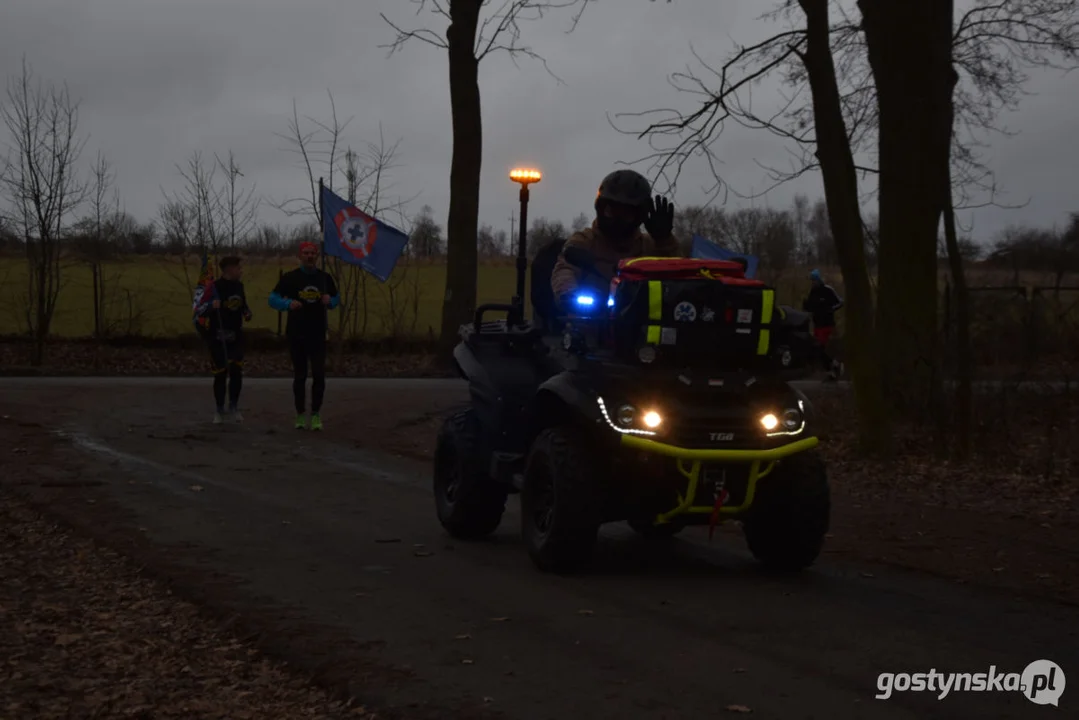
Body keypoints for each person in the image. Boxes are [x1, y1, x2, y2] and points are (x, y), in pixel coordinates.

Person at [551, 169, 679, 305]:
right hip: (590, 320)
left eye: (626, 214)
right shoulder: (585, 240)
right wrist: (568, 294)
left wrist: (664, 241)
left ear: (639, 216)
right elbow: (565, 269)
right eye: (611, 211)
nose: (617, 219)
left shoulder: (648, 245)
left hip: (639, 320)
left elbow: (675, 274)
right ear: (600, 208)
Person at [268, 242, 340, 430]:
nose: (309, 256)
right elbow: (272, 299)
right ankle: (300, 414)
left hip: (317, 333)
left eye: (313, 253)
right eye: (306, 253)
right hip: (296, 333)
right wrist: (287, 304)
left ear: (317, 256)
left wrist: (329, 301)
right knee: (300, 376)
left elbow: (336, 298)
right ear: (299, 256)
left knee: (319, 375)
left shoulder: (324, 278)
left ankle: (315, 414)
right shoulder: (290, 278)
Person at [196, 255, 252, 424]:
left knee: (236, 371)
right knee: (221, 373)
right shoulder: (214, 288)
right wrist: (211, 307)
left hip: (236, 336)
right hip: (217, 337)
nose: (240, 271)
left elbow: (243, 305)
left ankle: (233, 406)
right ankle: (219, 409)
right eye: (238, 268)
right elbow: (200, 309)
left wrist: (247, 313)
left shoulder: (239, 287)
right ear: (229, 269)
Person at [802, 269, 844, 380]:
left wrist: (830, 309)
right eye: (812, 281)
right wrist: (806, 306)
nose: (813, 283)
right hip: (817, 325)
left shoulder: (828, 290)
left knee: (822, 348)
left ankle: (834, 368)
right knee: (818, 350)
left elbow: (840, 302)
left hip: (828, 324)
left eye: (814, 280)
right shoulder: (813, 292)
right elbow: (811, 308)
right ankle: (831, 369)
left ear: (819, 280)